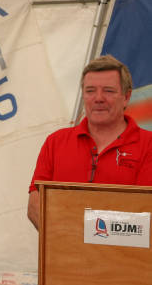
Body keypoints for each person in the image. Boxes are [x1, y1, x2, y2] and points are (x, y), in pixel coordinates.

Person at [27, 54, 152, 228]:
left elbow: (145, 213)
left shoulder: (148, 145)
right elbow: (35, 205)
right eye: (90, 91)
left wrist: (82, 232)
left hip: (121, 248)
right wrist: (68, 237)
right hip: (64, 245)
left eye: (108, 91)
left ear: (126, 97)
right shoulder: (55, 142)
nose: (98, 98)